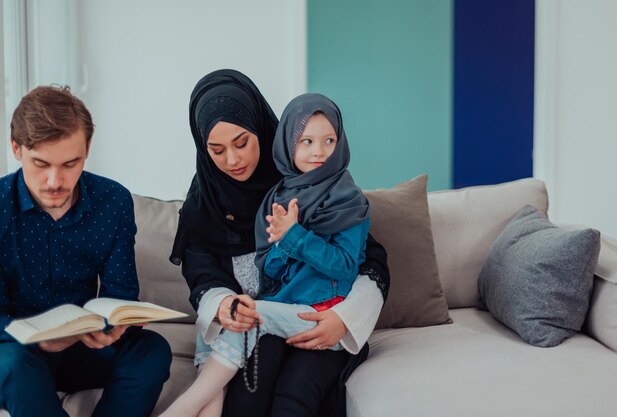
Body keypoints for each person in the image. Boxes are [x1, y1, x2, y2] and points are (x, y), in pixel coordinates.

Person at [168, 69, 389, 417]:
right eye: (216, 149)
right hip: (249, 327)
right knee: (243, 398)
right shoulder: (203, 204)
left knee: (295, 394)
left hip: (312, 318)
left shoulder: (307, 182)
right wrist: (223, 305)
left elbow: (366, 259)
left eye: (242, 143)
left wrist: (345, 319)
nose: (232, 160)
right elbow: (203, 275)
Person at [0, 85, 172, 417]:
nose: (54, 181)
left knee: (151, 351)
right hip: (16, 352)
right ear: (16, 148)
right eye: (40, 163)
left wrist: (113, 327)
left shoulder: (114, 201)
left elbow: (121, 293)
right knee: (13, 363)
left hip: (81, 347)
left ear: (88, 149)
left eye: (70, 163)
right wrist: (37, 339)